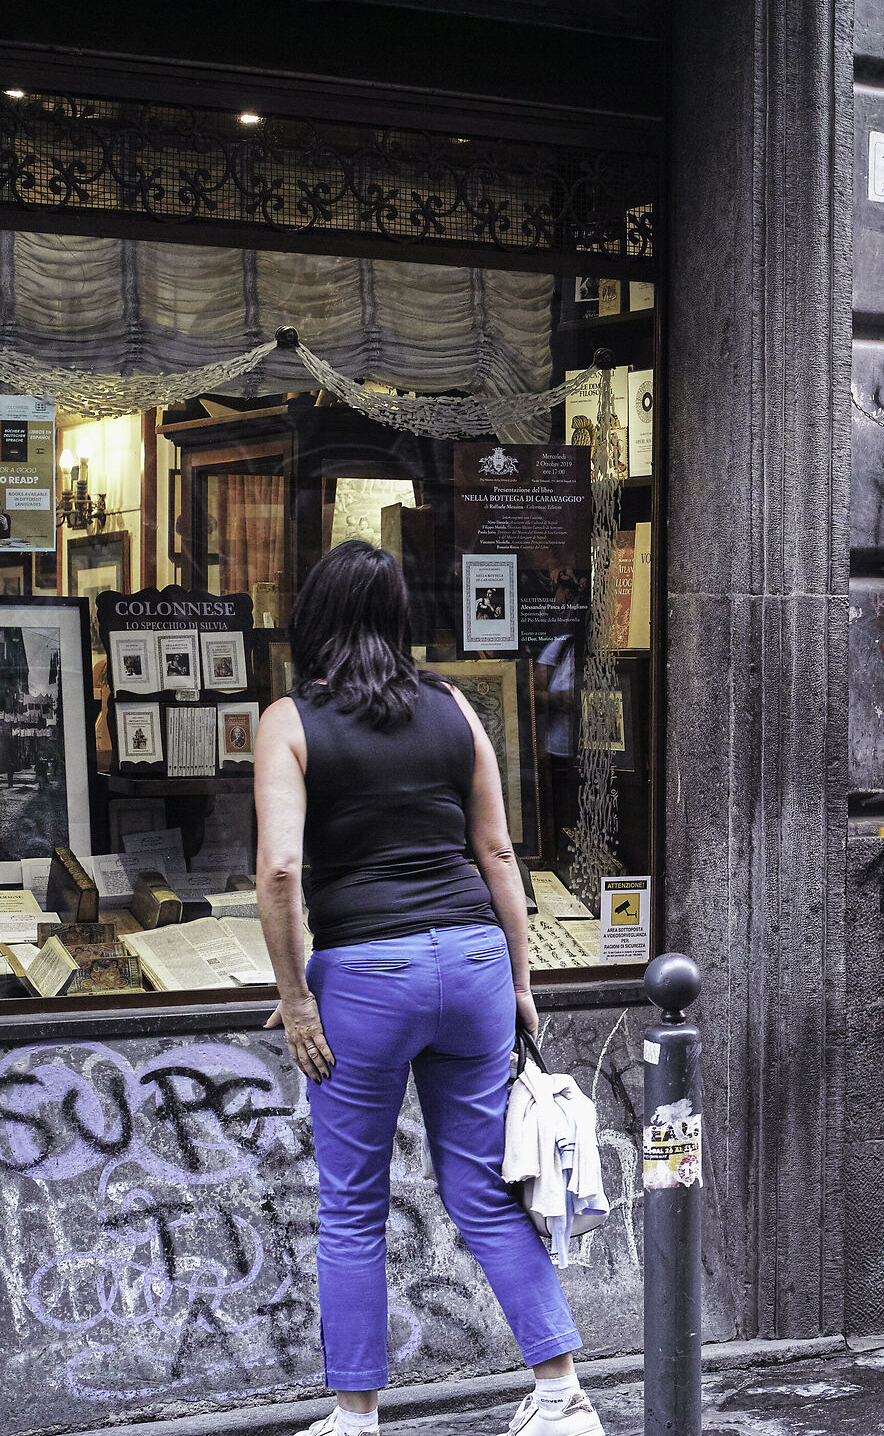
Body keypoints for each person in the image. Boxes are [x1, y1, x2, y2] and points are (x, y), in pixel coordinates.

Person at [255, 540, 600, 1436]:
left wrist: (296, 996)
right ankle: (562, 1395)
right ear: (400, 619)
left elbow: (283, 871)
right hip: (474, 965)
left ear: (314, 619)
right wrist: (520, 983)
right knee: (484, 1191)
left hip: (364, 977)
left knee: (353, 1204)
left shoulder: (289, 722)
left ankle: (356, 1418)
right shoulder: (456, 709)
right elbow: (496, 854)